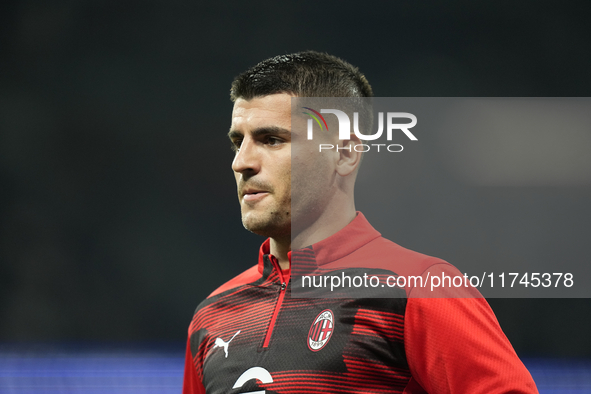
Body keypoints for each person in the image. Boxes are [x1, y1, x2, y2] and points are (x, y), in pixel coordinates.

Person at [183, 51, 538, 393]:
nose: (241, 162)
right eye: (237, 142)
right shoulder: (212, 316)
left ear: (345, 152)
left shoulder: (419, 288)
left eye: (271, 140)